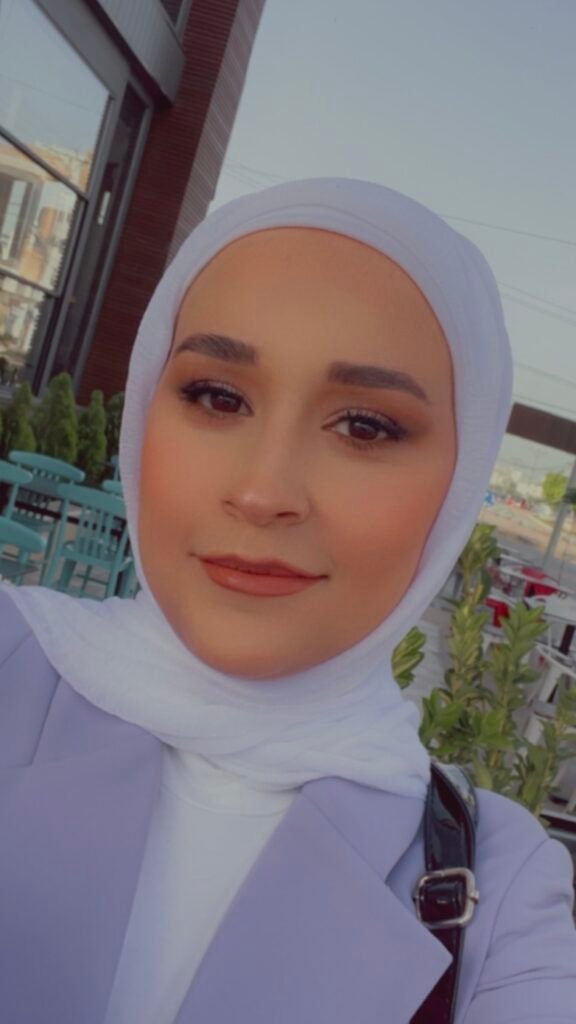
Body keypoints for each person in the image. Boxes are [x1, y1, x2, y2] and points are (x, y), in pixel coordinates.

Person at [1, 178, 575, 1024]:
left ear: (458, 485)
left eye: (365, 427)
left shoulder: (497, 887)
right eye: (217, 397)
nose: (264, 492)